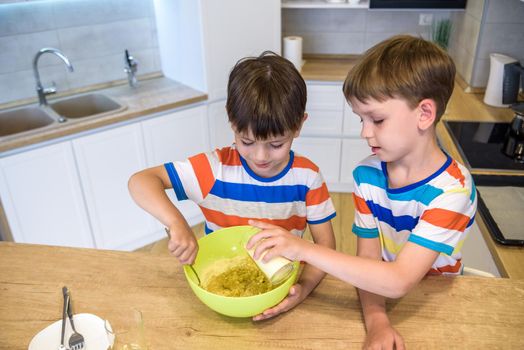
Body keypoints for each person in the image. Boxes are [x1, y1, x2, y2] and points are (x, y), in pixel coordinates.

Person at [246, 35, 477, 349]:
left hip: (439, 305)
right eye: (361, 119)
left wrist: (302, 250)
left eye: (377, 119)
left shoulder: (452, 191)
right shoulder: (367, 176)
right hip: (380, 291)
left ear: (424, 114)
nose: (365, 132)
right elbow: (368, 262)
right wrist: (376, 319)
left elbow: (399, 279)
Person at [128, 51, 336, 321]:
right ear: (231, 120)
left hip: (282, 288)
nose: (261, 157)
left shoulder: (307, 177)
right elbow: (141, 181)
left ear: (298, 126)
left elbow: (326, 246)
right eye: (246, 141)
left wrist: (304, 288)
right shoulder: (214, 170)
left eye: (276, 144)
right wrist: (177, 223)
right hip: (221, 294)